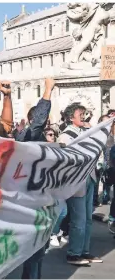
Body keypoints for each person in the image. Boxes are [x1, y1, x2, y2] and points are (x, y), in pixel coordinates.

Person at [13, 78, 56, 279]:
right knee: (33, 252)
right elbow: (38, 121)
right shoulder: (28, 136)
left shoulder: (36, 138)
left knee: (39, 252)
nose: (46, 124)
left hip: (41, 200)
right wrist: (47, 90)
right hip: (29, 202)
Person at [58, 103, 102, 265]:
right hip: (76, 181)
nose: (84, 117)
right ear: (71, 118)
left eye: (84, 114)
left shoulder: (86, 133)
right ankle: (73, 253)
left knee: (87, 219)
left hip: (89, 178)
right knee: (79, 218)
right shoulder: (65, 136)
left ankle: (85, 250)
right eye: (80, 114)